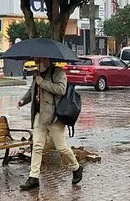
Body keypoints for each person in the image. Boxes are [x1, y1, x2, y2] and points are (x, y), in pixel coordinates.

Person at [17, 57, 83, 190]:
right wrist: (23, 101)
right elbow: (32, 91)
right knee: (37, 146)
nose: (36, 63)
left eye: (38, 60)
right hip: (39, 115)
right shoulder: (37, 74)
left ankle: (76, 167)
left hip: (54, 117)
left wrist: (43, 83)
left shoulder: (58, 72)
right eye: (35, 60)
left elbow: (61, 90)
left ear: (45, 60)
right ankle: (33, 177)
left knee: (61, 147)